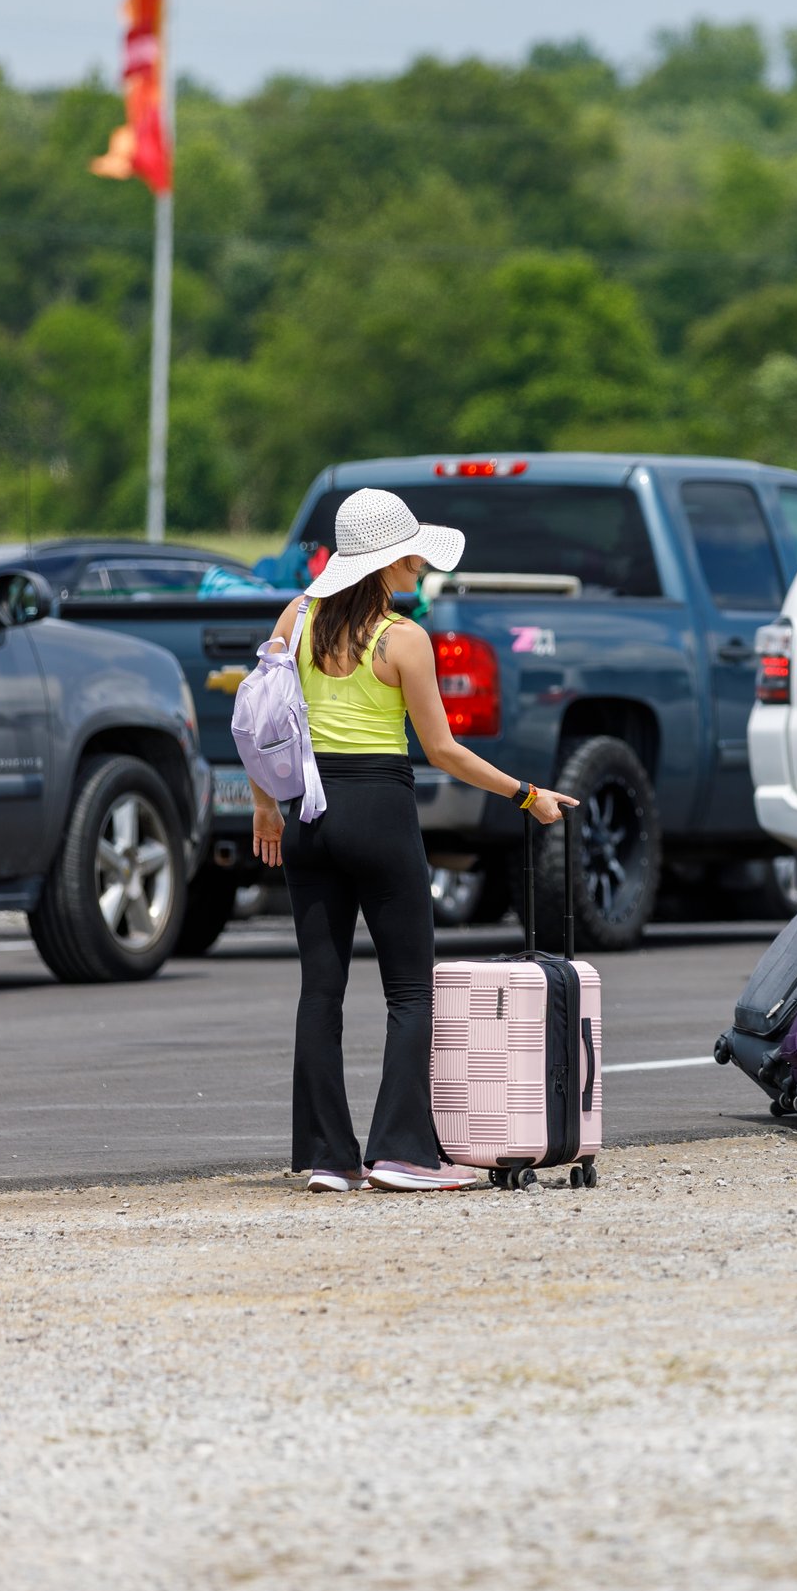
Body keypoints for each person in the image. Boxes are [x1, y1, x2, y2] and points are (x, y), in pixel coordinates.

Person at [251, 488, 577, 1193]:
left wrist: (264, 807)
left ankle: (329, 1158)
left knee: (322, 989)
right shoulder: (401, 639)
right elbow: (445, 751)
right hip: (378, 811)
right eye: (414, 555)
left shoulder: (296, 618)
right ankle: (401, 1150)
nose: (422, 568)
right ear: (388, 561)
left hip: (306, 811)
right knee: (408, 989)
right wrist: (527, 794)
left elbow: (257, 720)